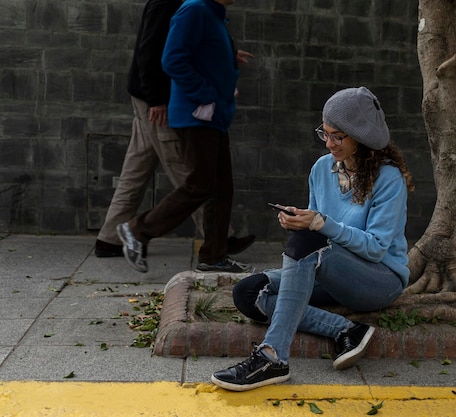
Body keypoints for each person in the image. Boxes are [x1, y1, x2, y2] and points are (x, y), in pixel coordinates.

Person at [211, 86, 415, 391]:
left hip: (378, 280)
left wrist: (320, 223)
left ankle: (272, 356)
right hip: (331, 272)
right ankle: (347, 330)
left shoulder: (389, 179)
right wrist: (299, 223)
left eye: (338, 136)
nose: (329, 143)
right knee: (248, 292)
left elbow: (374, 248)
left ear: (360, 136)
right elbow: (318, 236)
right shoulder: (322, 169)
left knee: (309, 243)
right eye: (325, 133)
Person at [95, 0, 255, 260]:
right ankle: (141, 232)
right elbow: (156, 53)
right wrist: (156, 99)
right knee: (192, 174)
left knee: (138, 167)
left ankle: (110, 238)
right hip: (163, 101)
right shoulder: (179, 5)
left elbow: (195, 46)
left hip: (176, 101)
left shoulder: (207, 11)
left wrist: (227, 54)